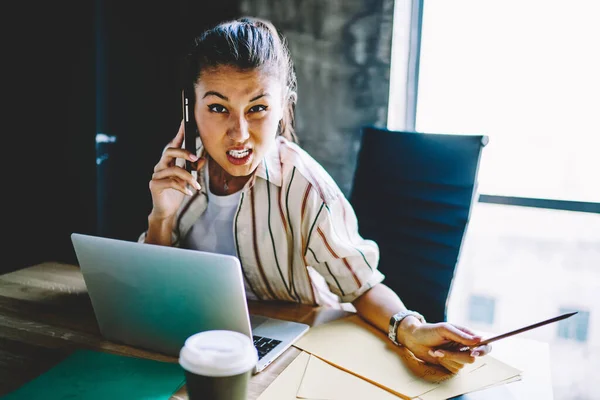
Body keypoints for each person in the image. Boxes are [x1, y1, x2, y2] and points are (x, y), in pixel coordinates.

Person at [139, 16, 491, 374]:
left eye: (257, 108)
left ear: (281, 109)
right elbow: (152, 293)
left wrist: (412, 329)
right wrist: (161, 217)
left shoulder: (304, 185)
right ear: (191, 108)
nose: (239, 133)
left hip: (298, 355)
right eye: (217, 108)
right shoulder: (180, 174)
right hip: (205, 346)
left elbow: (362, 287)